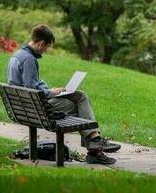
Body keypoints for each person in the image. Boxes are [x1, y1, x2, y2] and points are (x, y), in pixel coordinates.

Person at [7, 24, 120, 165]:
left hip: (26, 106)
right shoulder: (30, 59)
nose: (45, 51)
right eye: (46, 47)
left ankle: (94, 143)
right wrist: (50, 92)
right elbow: (31, 89)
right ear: (41, 43)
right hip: (36, 108)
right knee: (79, 105)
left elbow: (29, 85)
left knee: (80, 96)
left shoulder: (18, 55)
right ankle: (94, 146)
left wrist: (48, 88)